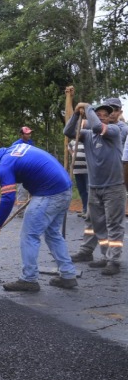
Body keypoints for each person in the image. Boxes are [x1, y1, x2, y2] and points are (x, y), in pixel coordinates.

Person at [0, 145, 77, 291]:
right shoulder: (14, 150)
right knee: (52, 233)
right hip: (64, 189)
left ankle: (29, 279)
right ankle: (68, 275)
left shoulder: (4, 164)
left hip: (49, 193)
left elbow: (8, 198)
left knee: (29, 235)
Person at [65, 102, 125, 276]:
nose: (100, 117)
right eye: (97, 114)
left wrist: (89, 107)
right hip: (94, 187)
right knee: (98, 225)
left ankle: (114, 261)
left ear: (109, 118)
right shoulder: (87, 135)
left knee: (114, 224)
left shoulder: (114, 131)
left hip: (113, 187)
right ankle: (106, 257)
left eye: (104, 115)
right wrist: (76, 114)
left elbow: (99, 127)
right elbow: (68, 132)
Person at [67, 138, 88, 217]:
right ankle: (85, 209)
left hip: (87, 171)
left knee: (88, 190)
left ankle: (90, 211)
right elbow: (69, 148)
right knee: (82, 191)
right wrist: (73, 154)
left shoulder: (86, 140)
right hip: (77, 170)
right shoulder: (72, 142)